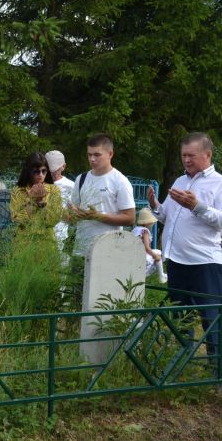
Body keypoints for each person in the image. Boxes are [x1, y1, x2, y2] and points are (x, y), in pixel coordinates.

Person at [147, 132, 222, 358]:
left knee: (211, 317)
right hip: (177, 260)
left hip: (204, 261)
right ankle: (183, 361)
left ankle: (215, 368)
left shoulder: (219, 183)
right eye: (183, 155)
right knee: (181, 315)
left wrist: (196, 206)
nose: (186, 160)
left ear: (207, 155)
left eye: (191, 155)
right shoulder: (180, 181)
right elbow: (165, 216)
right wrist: (154, 205)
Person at [70, 134, 135, 259]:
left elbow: (130, 218)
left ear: (110, 154)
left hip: (108, 252)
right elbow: (73, 210)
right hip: (80, 251)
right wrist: (71, 213)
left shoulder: (120, 181)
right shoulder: (81, 179)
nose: (92, 159)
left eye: (97, 155)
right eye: (89, 155)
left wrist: (98, 216)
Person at [10, 152, 63, 236]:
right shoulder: (18, 190)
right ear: (28, 172)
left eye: (44, 171)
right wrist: (32, 201)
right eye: (36, 172)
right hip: (23, 241)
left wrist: (42, 204)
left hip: (47, 240)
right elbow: (17, 219)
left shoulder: (53, 190)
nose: (41, 175)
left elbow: (54, 220)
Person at [45, 150, 75, 251]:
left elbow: (73, 218)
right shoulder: (38, 182)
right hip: (37, 236)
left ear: (63, 167)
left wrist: (58, 211)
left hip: (59, 237)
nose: (52, 173)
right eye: (48, 170)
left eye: (55, 170)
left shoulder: (71, 186)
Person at [132, 208, 167, 283]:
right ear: (147, 222)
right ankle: (161, 276)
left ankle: (161, 275)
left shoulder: (135, 229)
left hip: (134, 254)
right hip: (142, 256)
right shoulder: (145, 232)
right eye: (152, 222)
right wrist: (154, 255)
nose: (153, 224)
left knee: (157, 252)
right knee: (158, 253)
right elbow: (147, 248)